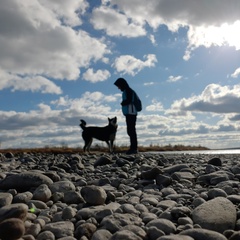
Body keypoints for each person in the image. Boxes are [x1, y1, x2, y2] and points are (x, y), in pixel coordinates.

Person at [114, 78, 138, 154]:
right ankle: (133, 148)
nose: (118, 88)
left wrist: (122, 103)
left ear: (122, 84)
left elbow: (129, 100)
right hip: (130, 113)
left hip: (131, 113)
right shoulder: (127, 90)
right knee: (131, 130)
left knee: (131, 130)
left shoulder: (128, 90)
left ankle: (133, 148)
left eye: (118, 86)